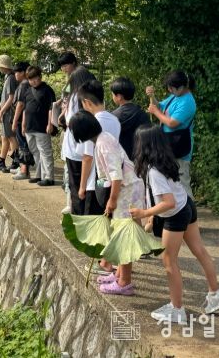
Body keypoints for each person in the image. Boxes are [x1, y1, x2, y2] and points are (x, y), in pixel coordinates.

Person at [129, 125, 219, 324]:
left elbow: (168, 203)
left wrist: (144, 213)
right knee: (199, 250)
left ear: (143, 145)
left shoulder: (154, 171)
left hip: (176, 213)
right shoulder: (165, 161)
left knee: (169, 261)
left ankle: (177, 309)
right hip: (187, 205)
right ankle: (215, 293)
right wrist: (152, 218)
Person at [69, 110, 146, 296]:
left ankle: (124, 282)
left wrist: (111, 200)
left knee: (124, 236)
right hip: (126, 189)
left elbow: (116, 176)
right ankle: (119, 274)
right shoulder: (102, 139)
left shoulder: (103, 143)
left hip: (126, 192)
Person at [146, 71, 196, 198]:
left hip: (180, 149)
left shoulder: (188, 102)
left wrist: (155, 112)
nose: (169, 90)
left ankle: (190, 209)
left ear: (182, 87)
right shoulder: (175, 96)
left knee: (182, 184)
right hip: (169, 146)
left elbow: (172, 123)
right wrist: (152, 97)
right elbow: (160, 106)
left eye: (171, 87)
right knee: (171, 183)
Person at [78, 79, 121, 215]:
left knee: (92, 223)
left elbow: (87, 157)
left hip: (94, 185)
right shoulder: (115, 120)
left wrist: (82, 186)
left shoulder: (91, 123)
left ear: (87, 102)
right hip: (111, 182)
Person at [61, 67, 96, 214]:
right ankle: (85, 215)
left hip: (75, 147)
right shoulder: (94, 96)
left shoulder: (75, 97)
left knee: (76, 186)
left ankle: (77, 217)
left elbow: (70, 120)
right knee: (88, 185)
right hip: (89, 146)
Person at [20, 65, 56, 186]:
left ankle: (49, 177)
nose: (33, 81)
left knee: (45, 151)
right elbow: (25, 109)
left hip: (42, 126)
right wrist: (23, 124)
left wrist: (50, 123)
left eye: (35, 78)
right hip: (29, 127)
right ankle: (39, 175)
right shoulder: (28, 90)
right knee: (35, 151)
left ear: (40, 77)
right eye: (30, 79)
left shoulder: (47, 90)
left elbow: (52, 108)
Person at [0, 54, 19, 172]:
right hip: (5, 110)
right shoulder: (7, 77)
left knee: (10, 136)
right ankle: (1, 160)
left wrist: (2, 111)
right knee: (4, 136)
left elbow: (11, 98)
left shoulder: (10, 78)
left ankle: (16, 161)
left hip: (9, 112)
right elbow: (4, 97)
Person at [57, 52, 79, 210]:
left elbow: (72, 101)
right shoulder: (70, 79)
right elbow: (66, 99)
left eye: (65, 65)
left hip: (74, 125)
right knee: (67, 162)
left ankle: (71, 203)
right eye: (62, 66)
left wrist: (63, 113)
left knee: (70, 165)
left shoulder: (77, 79)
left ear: (73, 63)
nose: (63, 68)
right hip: (67, 125)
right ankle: (69, 201)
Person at [110, 77, 151, 160]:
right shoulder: (142, 114)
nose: (112, 96)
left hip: (121, 159)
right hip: (140, 159)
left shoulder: (113, 117)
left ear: (119, 97)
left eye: (113, 94)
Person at [11, 61, 32, 181]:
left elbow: (20, 104)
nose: (15, 74)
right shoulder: (25, 84)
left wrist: (14, 121)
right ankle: (22, 167)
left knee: (23, 144)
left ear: (23, 72)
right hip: (23, 118)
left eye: (17, 72)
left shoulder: (24, 84)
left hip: (21, 119)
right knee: (22, 144)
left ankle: (24, 171)